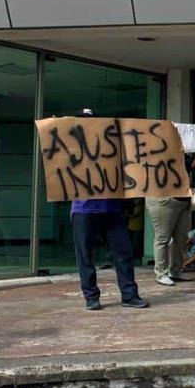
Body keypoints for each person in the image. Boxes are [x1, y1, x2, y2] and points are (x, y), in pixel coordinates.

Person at [69, 109, 149, 311]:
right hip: (83, 209)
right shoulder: (71, 147)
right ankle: (91, 297)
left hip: (111, 208)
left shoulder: (112, 146)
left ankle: (130, 295)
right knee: (85, 256)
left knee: (124, 253)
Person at [145, 184, 192, 287]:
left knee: (181, 238)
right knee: (162, 238)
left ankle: (176, 272)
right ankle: (161, 274)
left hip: (183, 199)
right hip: (163, 198)